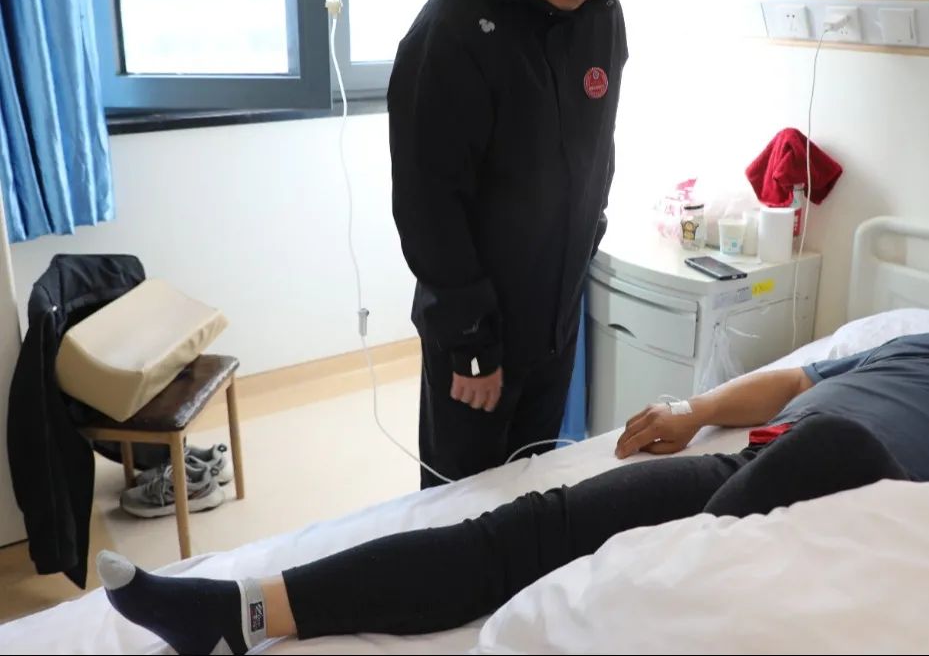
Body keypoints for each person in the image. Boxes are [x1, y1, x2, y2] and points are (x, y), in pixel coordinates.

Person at [99, 332, 929, 654]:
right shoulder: (904, 342)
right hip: (753, 462)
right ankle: (241, 612)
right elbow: (792, 380)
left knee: (828, 446)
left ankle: (665, 577)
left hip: (860, 489)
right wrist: (693, 409)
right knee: (530, 526)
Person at [387, 0, 647, 488]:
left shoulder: (600, 12)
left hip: (554, 308)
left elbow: (595, 149)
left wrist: (586, 240)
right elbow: (428, 206)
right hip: (477, 324)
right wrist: (471, 343)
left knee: (534, 481)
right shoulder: (449, 35)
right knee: (463, 502)